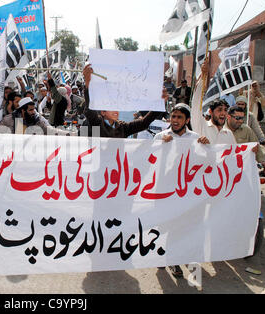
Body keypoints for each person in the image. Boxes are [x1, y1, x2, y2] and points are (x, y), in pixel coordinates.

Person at [154, 103, 209, 278]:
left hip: (186, 191)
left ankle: (176, 260)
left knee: (184, 227)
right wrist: (161, 146)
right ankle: (163, 257)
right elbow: (151, 160)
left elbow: (206, 163)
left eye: (179, 117)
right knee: (165, 226)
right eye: (173, 116)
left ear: (187, 120)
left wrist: (207, 147)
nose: (175, 120)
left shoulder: (195, 138)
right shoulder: (160, 136)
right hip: (164, 190)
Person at [82, 64, 167, 138]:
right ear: (103, 112)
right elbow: (90, 111)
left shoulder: (123, 128)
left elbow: (144, 123)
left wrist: (159, 104)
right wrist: (88, 84)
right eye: (111, 107)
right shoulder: (97, 123)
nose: (115, 111)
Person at [0, 97, 71, 136]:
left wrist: (69, 134)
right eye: (30, 110)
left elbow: (51, 131)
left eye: (34, 109)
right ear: (23, 111)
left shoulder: (37, 120)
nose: (33, 112)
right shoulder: (9, 120)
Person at [226, 105, 265, 174]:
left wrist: (263, 162)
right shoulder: (220, 130)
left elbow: (256, 146)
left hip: (242, 170)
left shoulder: (247, 130)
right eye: (238, 118)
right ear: (228, 117)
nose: (240, 121)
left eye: (242, 118)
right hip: (225, 168)